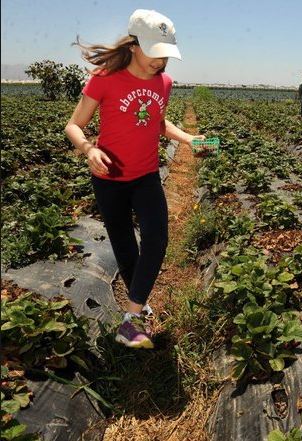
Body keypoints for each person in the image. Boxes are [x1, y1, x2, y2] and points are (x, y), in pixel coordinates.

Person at [65, 9, 204, 349]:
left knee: (156, 239)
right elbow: (73, 125)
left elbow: (158, 124)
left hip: (145, 175)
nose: (161, 61)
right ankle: (138, 309)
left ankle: (130, 318)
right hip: (109, 177)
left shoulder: (164, 83)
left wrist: (188, 139)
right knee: (125, 247)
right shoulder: (104, 78)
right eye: (155, 52)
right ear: (135, 45)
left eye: (165, 54)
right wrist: (88, 149)